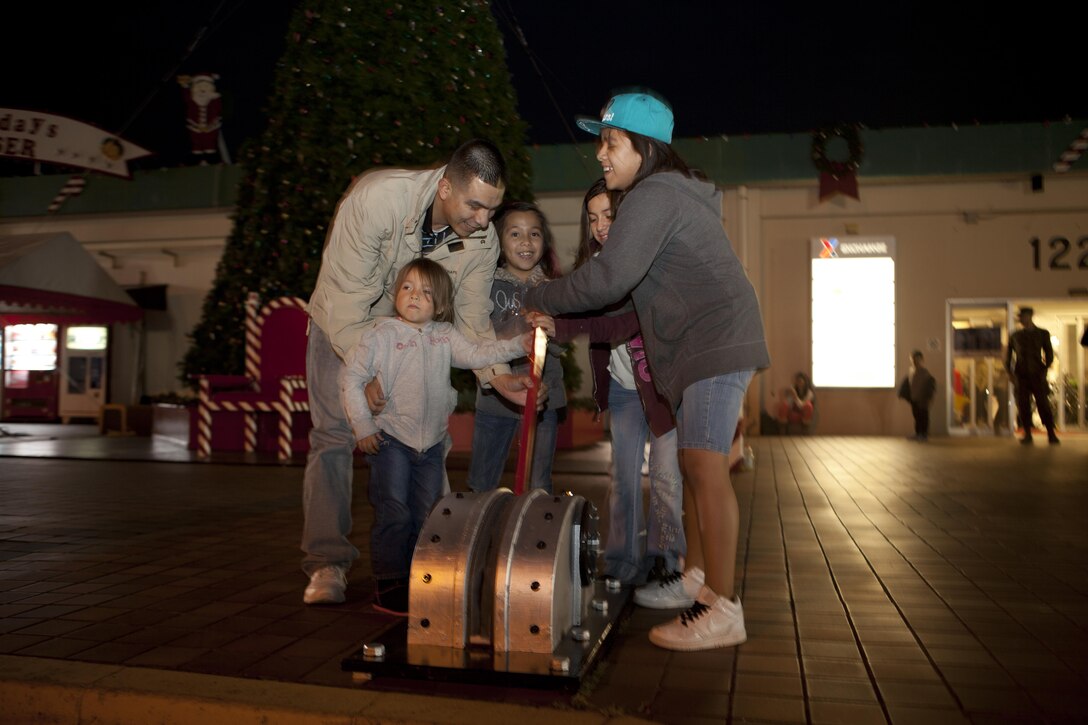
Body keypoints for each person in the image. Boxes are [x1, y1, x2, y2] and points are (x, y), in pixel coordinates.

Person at [523, 91, 770, 651]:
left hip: (713, 343)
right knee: (692, 463)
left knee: (705, 466)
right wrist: (558, 322)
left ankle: (724, 608)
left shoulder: (653, 196)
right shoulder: (662, 198)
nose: (601, 155)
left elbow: (607, 280)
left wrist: (540, 294)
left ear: (645, 146)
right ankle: (700, 581)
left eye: (611, 142)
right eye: (601, 143)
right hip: (704, 347)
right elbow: (623, 310)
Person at [302, 139, 538, 607]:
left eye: (492, 210)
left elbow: (470, 318)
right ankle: (327, 561)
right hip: (342, 327)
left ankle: (425, 564)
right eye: (475, 206)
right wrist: (365, 371)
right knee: (333, 436)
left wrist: (497, 374)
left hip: (414, 340)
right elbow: (347, 300)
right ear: (446, 187)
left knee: (424, 442)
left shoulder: (481, 239)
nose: (484, 221)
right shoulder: (377, 200)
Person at [529, 178, 690, 604]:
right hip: (622, 387)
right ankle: (622, 562)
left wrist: (560, 324)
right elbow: (577, 307)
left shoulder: (646, 262)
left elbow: (619, 324)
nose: (601, 226)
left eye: (610, 215)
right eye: (593, 218)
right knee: (621, 478)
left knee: (666, 478)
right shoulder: (594, 265)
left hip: (661, 389)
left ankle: (667, 561)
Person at [340, 259, 531, 615]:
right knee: (394, 511)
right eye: (408, 287)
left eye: (426, 292)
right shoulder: (380, 336)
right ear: (397, 293)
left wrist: (521, 343)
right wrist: (363, 427)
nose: (414, 296)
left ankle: (417, 577)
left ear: (440, 305)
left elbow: (477, 353)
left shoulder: (444, 336)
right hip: (390, 440)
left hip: (429, 447)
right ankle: (388, 582)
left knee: (428, 514)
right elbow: (351, 379)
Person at [466, 202, 566, 494]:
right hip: (494, 399)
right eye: (515, 234)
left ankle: (532, 538)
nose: (526, 241)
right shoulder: (485, 286)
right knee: (482, 482)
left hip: (543, 401)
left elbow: (562, 347)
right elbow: (478, 340)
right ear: (498, 241)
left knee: (538, 485)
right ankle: (479, 536)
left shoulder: (554, 290)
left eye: (534, 234)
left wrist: (553, 329)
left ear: (544, 242)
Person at [1005, 306, 1058, 445]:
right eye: (1020, 317)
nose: (1021, 319)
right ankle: (1027, 433)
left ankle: (1051, 434)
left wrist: (1044, 368)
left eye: (1023, 316)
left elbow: (1049, 354)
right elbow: (1009, 356)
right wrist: (1010, 373)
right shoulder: (1015, 335)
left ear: (1029, 316)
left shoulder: (1042, 334)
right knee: (1023, 405)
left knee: (1043, 404)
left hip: (1037, 374)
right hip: (1021, 375)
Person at [898, 351, 936, 441]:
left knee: (923, 416)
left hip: (922, 400)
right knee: (917, 416)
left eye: (917, 359)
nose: (915, 361)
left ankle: (923, 434)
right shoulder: (912, 371)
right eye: (913, 359)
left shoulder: (925, 372)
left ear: (921, 360)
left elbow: (930, 386)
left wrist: (926, 398)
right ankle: (918, 433)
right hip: (914, 399)